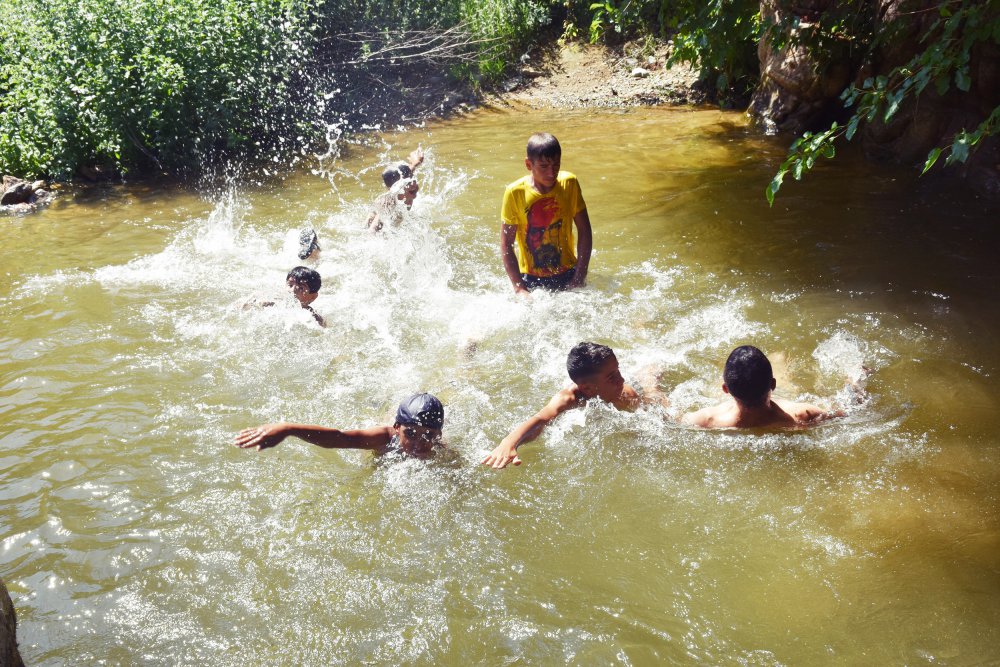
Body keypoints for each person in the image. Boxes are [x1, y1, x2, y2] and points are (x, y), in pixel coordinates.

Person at [481, 342, 668, 469]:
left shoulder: (624, 393)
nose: (621, 378)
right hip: (597, 393)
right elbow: (541, 418)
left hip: (632, 395)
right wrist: (509, 443)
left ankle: (650, 376)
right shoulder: (569, 397)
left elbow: (649, 417)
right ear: (586, 388)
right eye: (612, 377)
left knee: (654, 397)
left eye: (618, 371)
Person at [500, 132, 592, 295]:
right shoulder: (515, 193)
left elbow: (585, 231)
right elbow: (506, 244)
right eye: (544, 166)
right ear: (529, 164)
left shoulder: (569, 184)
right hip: (530, 279)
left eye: (556, 165)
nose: (551, 173)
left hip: (569, 273)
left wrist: (579, 276)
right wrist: (520, 288)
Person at [681, 345, 852, 429]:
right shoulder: (801, 416)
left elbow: (665, 416)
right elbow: (847, 412)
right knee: (781, 357)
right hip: (781, 397)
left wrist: (653, 379)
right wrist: (855, 380)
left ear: (725, 389)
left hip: (732, 399)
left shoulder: (705, 420)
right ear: (773, 384)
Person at [234, 393, 445, 458]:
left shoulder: (441, 450)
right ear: (397, 427)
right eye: (411, 433)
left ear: (439, 436)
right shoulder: (383, 437)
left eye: (428, 436)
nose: (419, 442)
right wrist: (288, 428)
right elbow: (340, 438)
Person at [245, 266, 325, 327]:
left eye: (301, 288)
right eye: (290, 285)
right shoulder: (271, 303)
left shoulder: (313, 317)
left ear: (312, 297)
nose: (292, 290)